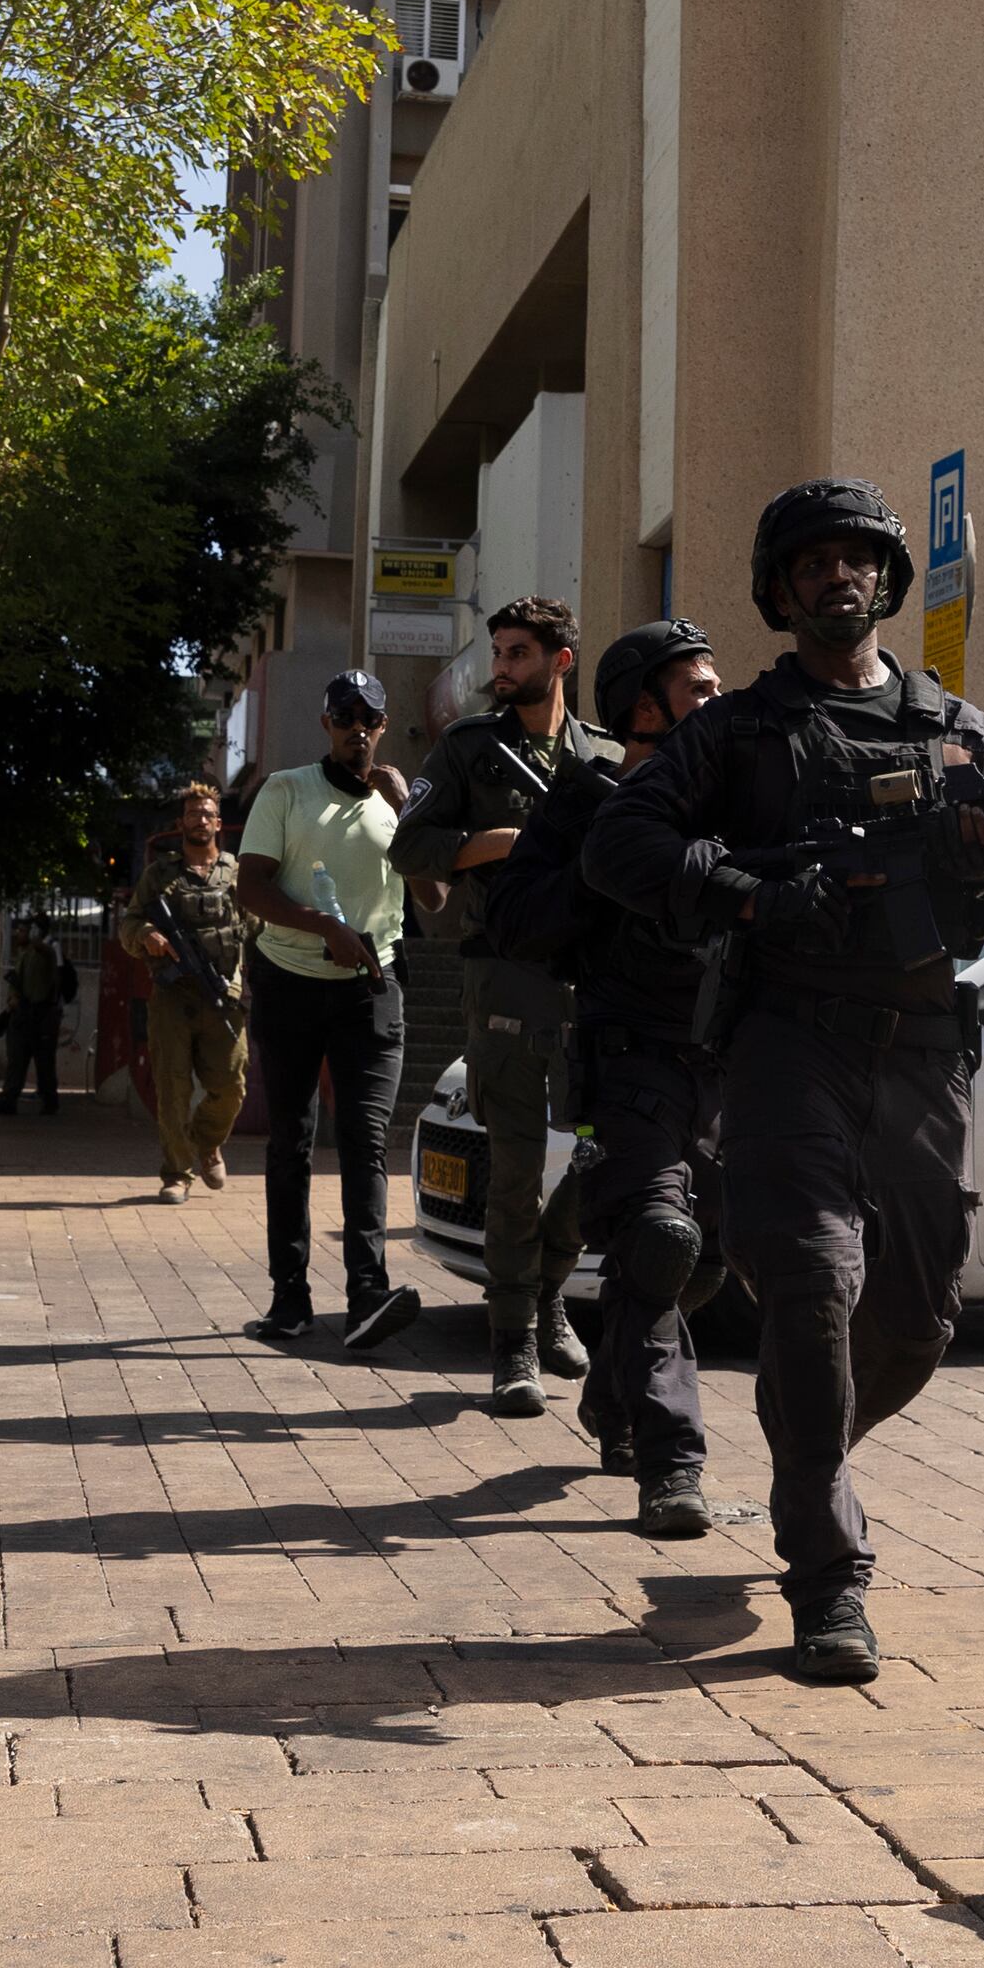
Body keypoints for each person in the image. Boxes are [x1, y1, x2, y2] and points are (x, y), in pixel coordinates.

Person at [585, 485, 984, 1683]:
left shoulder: (957, 729)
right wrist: (750, 892)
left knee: (911, 1317)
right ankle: (827, 1577)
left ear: (887, 582)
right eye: (810, 564)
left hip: (917, 1052)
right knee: (808, 1282)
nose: (835, 579)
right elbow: (618, 846)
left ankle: (810, 1444)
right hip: (784, 1044)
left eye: (856, 560)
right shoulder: (737, 734)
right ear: (778, 589)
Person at [489, 620, 727, 1528]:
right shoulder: (584, 799)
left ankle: (613, 1395)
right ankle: (672, 1465)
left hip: (731, 1062)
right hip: (628, 1061)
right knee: (661, 1241)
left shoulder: (733, 792)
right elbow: (515, 919)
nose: (717, 700)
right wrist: (605, 862)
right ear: (640, 706)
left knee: (705, 1259)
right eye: (697, 689)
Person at [392, 597, 614, 1415]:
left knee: (602, 1153)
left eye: (519, 653)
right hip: (506, 981)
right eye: (499, 653)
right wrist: (495, 845)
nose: (501, 668)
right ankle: (512, 1341)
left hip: (591, 985)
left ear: (561, 660)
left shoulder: (604, 753)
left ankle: (551, 1286)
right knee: (515, 1168)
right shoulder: (468, 749)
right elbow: (409, 843)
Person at [238, 673, 421, 1353]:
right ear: (325, 722)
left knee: (366, 1138)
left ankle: (368, 1294)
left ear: (383, 722)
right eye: (345, 715)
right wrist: (320, 925)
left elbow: (431, 896)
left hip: (371, 991)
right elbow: (249, 884)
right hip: (288, 984)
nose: (358, 727)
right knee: (291, 1141)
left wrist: (409, 813)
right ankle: (290, 1300)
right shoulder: (286, 790)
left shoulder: (393, 802)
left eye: (369, 716)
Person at [120, 780, 253, 1197]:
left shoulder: (237, 873)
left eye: (207, 813)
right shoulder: (159, 875)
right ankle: (177, 1174)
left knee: (231, 1085)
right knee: (172, 1087)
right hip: (173, 997)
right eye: (193, 813)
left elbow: (259, 925)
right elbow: (128, 923)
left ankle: (207, 1142)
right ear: (181, 823)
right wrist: (145, 934)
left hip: (223, 995)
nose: (200, 819)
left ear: (218, 822)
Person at [0, 925, 67, 1114]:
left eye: (24, 931)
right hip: (22, 1016)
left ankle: (50, 1101)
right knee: (16, 1062)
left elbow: (49, 980)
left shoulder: (45, 953)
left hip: (40, 1017)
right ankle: (9, 1099)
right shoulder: (24, 955)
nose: (18, 934)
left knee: (44, 1065)